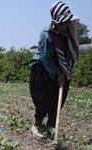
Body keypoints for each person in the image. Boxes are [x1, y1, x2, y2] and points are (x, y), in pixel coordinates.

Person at [29, 1, 79, 138]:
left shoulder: (71, 31)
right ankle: (37, 125)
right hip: (43, 67)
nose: (66, 25)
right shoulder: (46, 35)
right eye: (63, 22)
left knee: (59, 98)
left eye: (67, 21)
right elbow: (45, 57)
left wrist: (64, 70)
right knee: (44, 99)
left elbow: (72, 52)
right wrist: (56, 72)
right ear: (56, 22)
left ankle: (51, 127)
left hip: (63, 66)